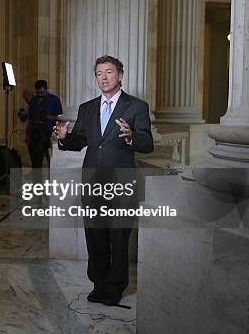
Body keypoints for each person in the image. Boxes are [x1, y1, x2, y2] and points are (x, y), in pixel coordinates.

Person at [53, 55, 153, 306]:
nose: (104, 77)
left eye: (109, 72)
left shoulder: (136, 106)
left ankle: (116, 287)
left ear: (120, 75)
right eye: (99, 73)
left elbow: (147, 143)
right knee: (95, 235)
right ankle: (98, 284)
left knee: (118, 236)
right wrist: (65, 138)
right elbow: (79, 142)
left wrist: (131, 137)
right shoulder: (87, 108)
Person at [18, 80, 63, 172]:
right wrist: (27, 135)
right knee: (36, 164)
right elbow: (31, 119)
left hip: (49, 134)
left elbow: (60, 117)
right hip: (35, 135)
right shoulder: (33, 101)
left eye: (42, 92)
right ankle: (36, 185)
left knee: (51, 163)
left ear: (46, 90)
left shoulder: (54, 100)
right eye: (38, 93)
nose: (40, 95)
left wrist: (50, 117)